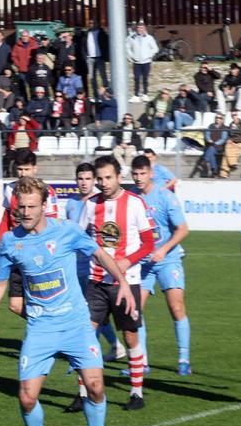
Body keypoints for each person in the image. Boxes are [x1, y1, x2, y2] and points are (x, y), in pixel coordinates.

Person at [0, 176, 136, 426]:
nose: (24, 212)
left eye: (30, 206)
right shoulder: (11, 242)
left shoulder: (67, 231)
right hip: (40, 328)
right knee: (26, 397)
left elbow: (100, 253)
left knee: (95, 387)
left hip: (76, 324)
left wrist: (123, 283)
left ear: (44, 206)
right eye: (20, 206)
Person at [76, 155, 155, 410]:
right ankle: (82, 392)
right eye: (99, 178)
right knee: (86, 336)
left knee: (130, 336)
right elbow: (78, 238)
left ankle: (136, 393)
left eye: (108, 177)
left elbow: (149, 243)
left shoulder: (135, 203)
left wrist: (126, 262)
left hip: (126, 282)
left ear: (120, 177)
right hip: (96, 282)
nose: (103, 182)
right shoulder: (90, 206)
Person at [131, 155, 191, 376]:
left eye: (142, 174)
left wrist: (163, 249)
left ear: (151, 173)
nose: (138, 178)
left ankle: (184, 358)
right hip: (144, 263)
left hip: (168, 259)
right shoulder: (133, 200)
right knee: (136, 311)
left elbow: (183, 229)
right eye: (135, 174)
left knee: (176, 307)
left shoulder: (166, 197)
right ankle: (142, 362)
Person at [64, 162, 123, 363]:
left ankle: (92, 352)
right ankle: (113, 346)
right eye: (80, 178)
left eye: (88, 178)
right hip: (74, 266)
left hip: (93, 268)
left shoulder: (99, 203)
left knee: (90, 312)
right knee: (89, 311)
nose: (84, 182)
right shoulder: (71, 202)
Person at [0, 149, 61, 318]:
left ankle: (47, 328)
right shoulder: (10, 189)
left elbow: (52, 225)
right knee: (15, 305)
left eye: (27, 169)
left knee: (41, 299)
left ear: (35, 169)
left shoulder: (46, 192)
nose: (23, 174)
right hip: (16, 251)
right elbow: (6, 219)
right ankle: (44, 325)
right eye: (20, 169)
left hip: (38, 254)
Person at [126, 22, 156, 101]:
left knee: (145, 78)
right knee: (136, 78)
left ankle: (145, 94)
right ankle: (136, 95)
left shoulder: (149, 38)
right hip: (136, 62)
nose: (139, 29)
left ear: (144, 29)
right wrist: (130, 56)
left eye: (141, 28)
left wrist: (149, 56)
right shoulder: (132, 37)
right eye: (138, 28)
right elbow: (127, 47)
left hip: (146, 62)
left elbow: (155, 49)